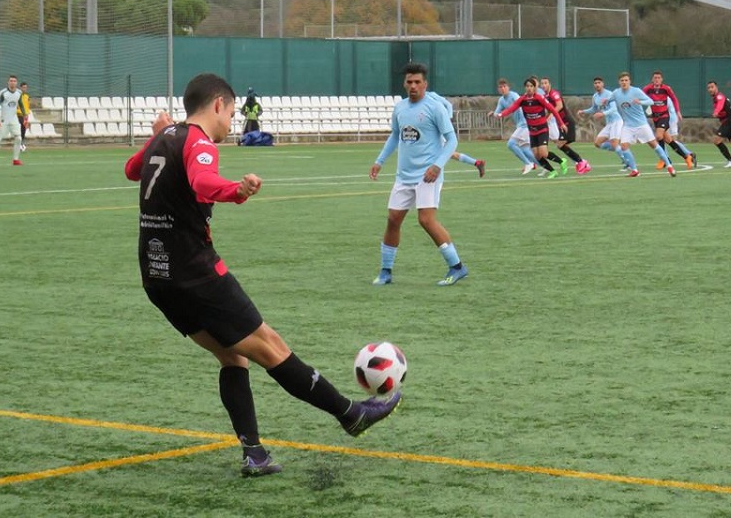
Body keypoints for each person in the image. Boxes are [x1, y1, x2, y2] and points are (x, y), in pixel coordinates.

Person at [124, 73, 400, 479]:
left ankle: (254, 454)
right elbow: (202, 180)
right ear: (217, 104)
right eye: (231, 114)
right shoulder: (197, 141)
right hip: (196, 274)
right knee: (271, 347)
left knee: (232, 355)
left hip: (156, 276)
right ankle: (350, 413)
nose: (231, 123)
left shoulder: (166, 138)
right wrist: (238, 188)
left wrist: (160, 135)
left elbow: (133, 169)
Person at [369, 63, 469, 287]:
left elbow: (451, 140)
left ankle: (457, 267)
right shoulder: (400, 108)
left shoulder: (435, 108)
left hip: (427, 175)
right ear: (404, 84)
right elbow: (395, 136)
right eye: (409, 82)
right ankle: (386, 271)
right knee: (393, 219)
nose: (413, 86)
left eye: (417, 82)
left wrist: (437, 165)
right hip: (404, 175)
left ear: (425, 84)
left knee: (426, 220)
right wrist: (379, 161)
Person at [601, 72, 676, 178]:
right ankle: (635, 170)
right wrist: (605, 101)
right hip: (628, 126)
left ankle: (669, 166)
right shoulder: (616, 93)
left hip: (641, 125)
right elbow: (609, 100)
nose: (624, 82)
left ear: (629, 81)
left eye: (626, 80)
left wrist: (640, 102)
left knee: (654, 144)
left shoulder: (636, 91)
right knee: (624, 146)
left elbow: (650, 101)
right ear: (619, 82)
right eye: (622, 80)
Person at [494, 76, 566, 179]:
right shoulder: (522, 100)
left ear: (534, 88)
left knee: (543, 153)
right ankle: (552, 171)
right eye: (527, 86)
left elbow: (553, 110)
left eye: (531, 86)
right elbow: (511, 109)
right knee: (536, 155)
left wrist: (561, 123)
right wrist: (501, 115)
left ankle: (561, 161)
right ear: (525, 88)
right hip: (532, 131)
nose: (529, 88)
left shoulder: (539, 98)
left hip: (542, 129)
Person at [427, 90, 486, 177]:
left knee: (441, 151)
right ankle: (477, 163)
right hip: (431, 130)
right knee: (449, 153)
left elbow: (448, 105)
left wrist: (448, 119)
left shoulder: (431, 95)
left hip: (438, 129)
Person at [642, 71, 693, 169]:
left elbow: (674, 99)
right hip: (655, 118)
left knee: (658, 136)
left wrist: (678, 111)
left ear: (661, 79)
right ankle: (687, 157)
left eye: (658, 78)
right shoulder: (647, 88)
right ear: (652, 79)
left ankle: (663, 159)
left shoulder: (666, 88)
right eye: (655, 78)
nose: (657, 79)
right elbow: (640, 96)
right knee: (669, 140)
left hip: (664, 116)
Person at [540, 77, 590, 174]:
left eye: (545, 83)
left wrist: (550, 115)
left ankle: (581, 161)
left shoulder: (554, 93)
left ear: (549, 84)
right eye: (542, 83)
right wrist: (545, 118)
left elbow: (559, 106)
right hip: (561, 124)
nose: (543, 85)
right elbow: (549, 110)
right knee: (561, 145)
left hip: (567, 122)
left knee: (560, 144)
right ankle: (581, 162)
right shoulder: (546, 97)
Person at [489, 78, 538, 175]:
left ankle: (528, 164)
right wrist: (493, 114)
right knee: (525, 150)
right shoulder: (501, 100)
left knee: (511, 144)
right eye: (500, 87)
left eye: (504, 86)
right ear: (498, 89)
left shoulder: (513, 95)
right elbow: (497, 113)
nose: (502, 89)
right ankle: (546, 166)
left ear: (508, 87)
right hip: (521, 125)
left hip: (525, 124)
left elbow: (520, 103)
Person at [576, 76, 627, 170]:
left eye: (599, 82)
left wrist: (603, 114)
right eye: (595, 83)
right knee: (597, 143)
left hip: (616, 121)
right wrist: (583, 111)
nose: (597, 85)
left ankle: (627, 162)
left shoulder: (609, 94)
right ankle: (622, 150)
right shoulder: (595, 96)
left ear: (603, 84)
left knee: (614, 143)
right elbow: (594, 109)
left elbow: (613, 109)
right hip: (609, 123)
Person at [0, 74, 25, 167]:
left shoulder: (19, 93)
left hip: (14, 119)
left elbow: (21, 104)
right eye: (11, 81)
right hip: (4, 120)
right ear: (8, 82)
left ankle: (15, 160)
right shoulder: (3, 93)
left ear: (17, 82)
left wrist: (25, 116)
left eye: (14, 81)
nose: (12, 82)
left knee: (18, 138)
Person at [16, 81, 32, 152]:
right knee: (19, 128)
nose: (24, 89)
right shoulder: (17, 95)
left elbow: (27, 106)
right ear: (20, 88)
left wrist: (27, 115)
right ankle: (19, 143)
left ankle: (21, 142)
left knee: (23, 129)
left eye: (26, 87)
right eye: (23, 87)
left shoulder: (27, 96)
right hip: (18, 114)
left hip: (25, 115)